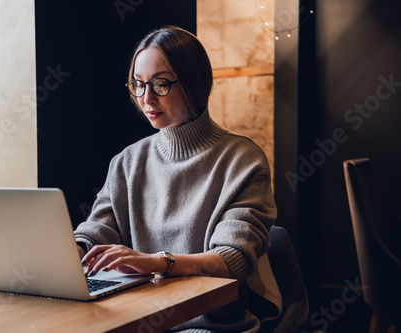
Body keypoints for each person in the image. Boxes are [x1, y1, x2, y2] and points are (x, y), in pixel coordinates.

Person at [74, 25, 282, 332]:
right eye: (138, 84)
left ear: (194, 84)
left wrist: (157, 262)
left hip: (208, 324)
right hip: (137, 317)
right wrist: (68, 253)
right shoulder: (128, 161)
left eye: (160, 85)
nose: (147, 99)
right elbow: (96, 232)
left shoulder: (242, 159)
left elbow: (232, 259)